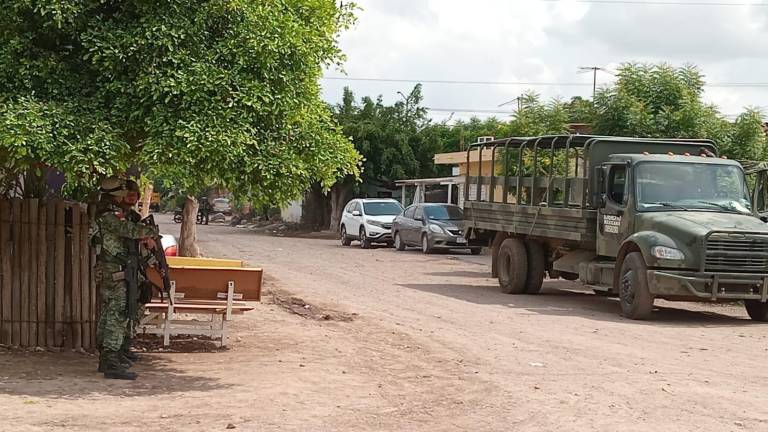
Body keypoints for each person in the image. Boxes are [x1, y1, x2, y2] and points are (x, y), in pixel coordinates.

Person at [92, 176, 157, 380]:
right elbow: (129, 231)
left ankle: (110, 356)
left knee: (113, 311)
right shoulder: (108, 215)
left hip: (118, 269)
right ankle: (110, 360)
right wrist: (151, 232)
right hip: (114, 271)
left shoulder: (116, 213)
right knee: (116, 313)